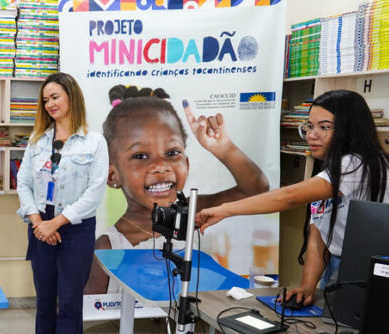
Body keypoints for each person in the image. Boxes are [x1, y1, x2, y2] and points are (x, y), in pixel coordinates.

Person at [195, 89, 389, 306]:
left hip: (382, 272)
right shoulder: (328, 171)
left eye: (325, 127)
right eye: (310, 126)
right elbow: (318, 233)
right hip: (345, 266)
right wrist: (307, 286)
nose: (312, 134)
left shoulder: (358, 164)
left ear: (349, 130)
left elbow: (289, 197)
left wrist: (225, 210)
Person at [84, 85, 269, 294]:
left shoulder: (194, 212)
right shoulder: (108, 247)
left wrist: (224, 148)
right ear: (112, 175)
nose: (161, 166)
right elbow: (93, 313)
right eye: (140, 156)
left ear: (187, 164)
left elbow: (256, 191)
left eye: (172, 152)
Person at [16, 72, 109, 334]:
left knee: (69, 301)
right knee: (44, 297)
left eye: (55, 96)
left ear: (71, 96)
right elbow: (23, 183)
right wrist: (38, 220)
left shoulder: (94, 142)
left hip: (76, 230)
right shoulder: (37, 140)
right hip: (40, 223)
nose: (50, 104)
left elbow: (95, 192)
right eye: (45, 100)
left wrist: (56, 224)